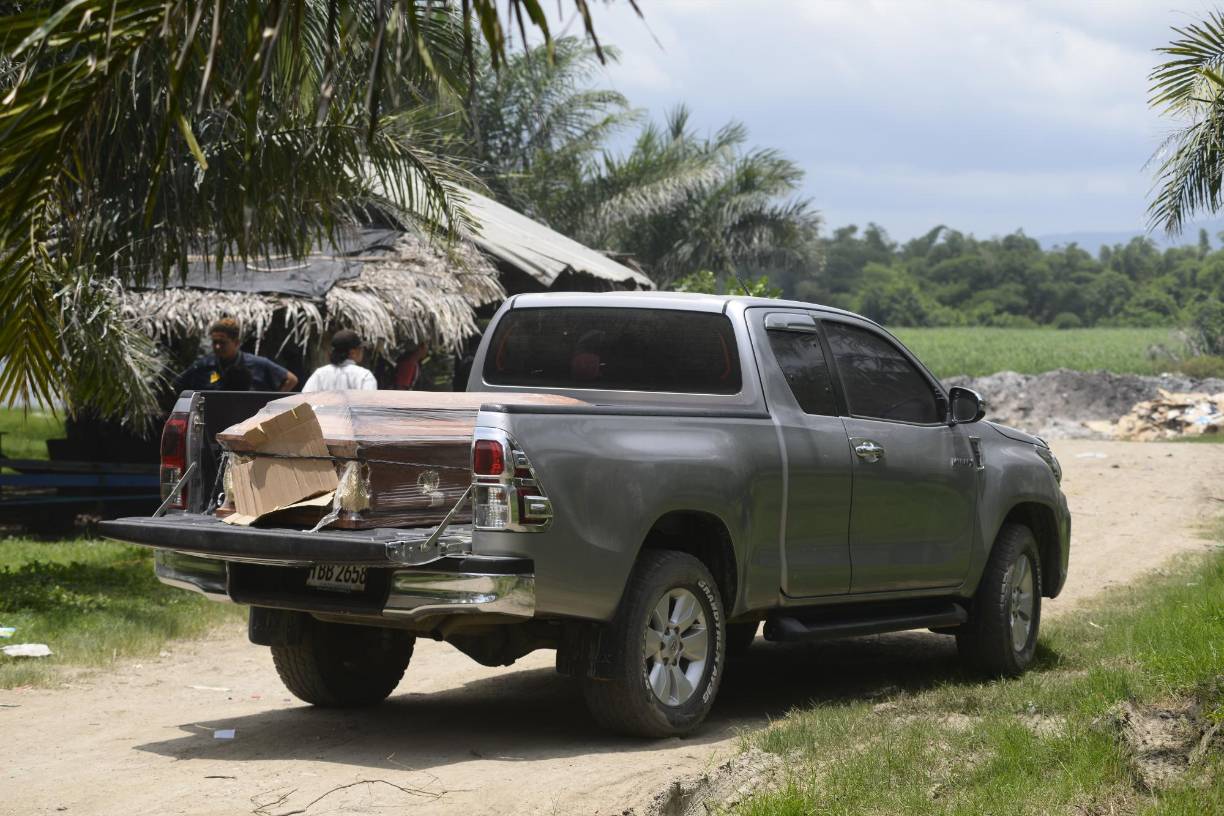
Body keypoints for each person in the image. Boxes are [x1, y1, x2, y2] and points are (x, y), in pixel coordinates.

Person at [174, 318, 298, 393]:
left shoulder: (257, 364)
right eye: (215, 342)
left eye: (222, 343)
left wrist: (272, 404)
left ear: (236, 343)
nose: (217, 347)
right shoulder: (203, 366)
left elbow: (291, 380)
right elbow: (178, 384)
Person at [302, 329, 378, 392]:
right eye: (360, 348)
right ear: (353, 352)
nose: (362, 351)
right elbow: (369, 402)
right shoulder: (364, 375)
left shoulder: (320, 373)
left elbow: (304, 400)